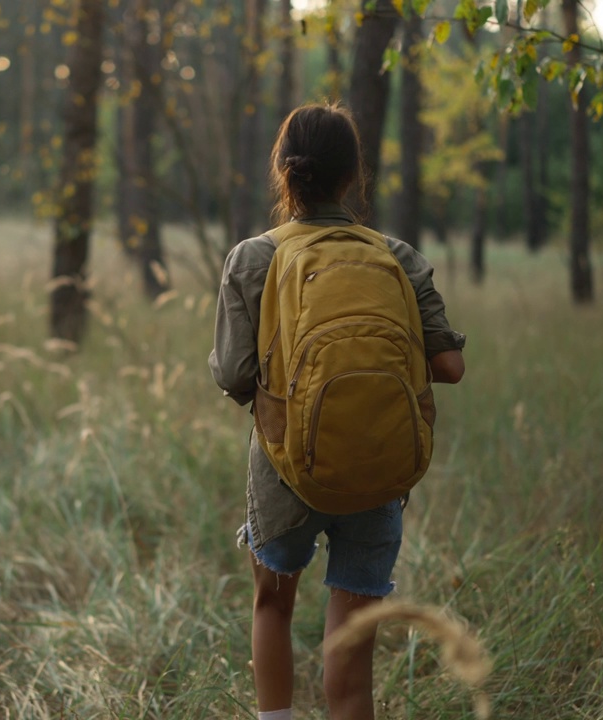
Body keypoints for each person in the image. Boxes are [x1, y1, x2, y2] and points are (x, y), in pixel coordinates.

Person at [208, 103, 467, 720]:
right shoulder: (397, 256)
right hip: (379, 469)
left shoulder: (253, 257)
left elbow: (233, 373)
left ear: (284, 170)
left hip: (283, 472)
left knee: (272, 606)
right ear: (354, 175)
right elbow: (450, 367)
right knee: (353, 637)